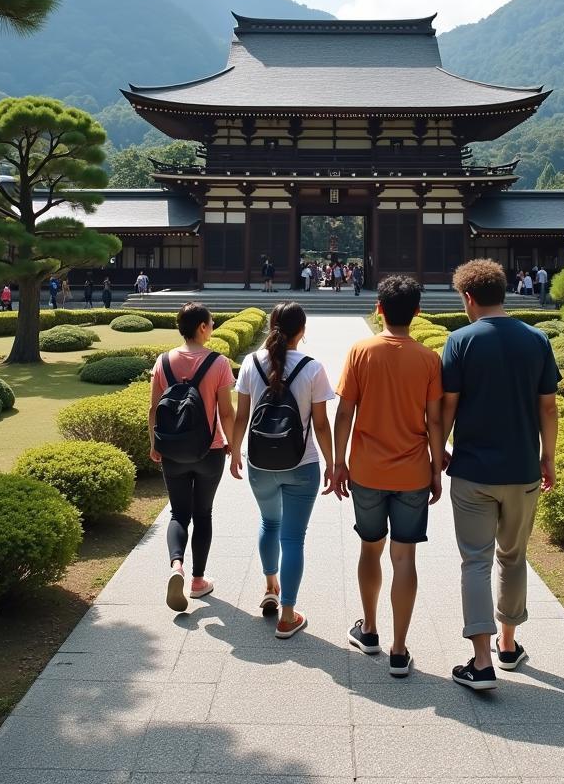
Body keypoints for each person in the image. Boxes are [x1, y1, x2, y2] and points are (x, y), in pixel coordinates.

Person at [441, 259, 559, 691]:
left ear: (468, 297)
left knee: (476, 560)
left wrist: (439, 452)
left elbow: (447, 406)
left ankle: (481, 662)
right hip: (523, 468)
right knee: (513, 557)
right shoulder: (537, 339)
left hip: (472, 469)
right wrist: (549, 458)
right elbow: (548, 406)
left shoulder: (460, 341)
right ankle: (508, 645)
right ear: (504, 292)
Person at [333, 275, 445, 677]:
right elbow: (434, 421)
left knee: (370, 548)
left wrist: (337, 461)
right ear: (417, 312)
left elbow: (344, 412)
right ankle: (399, 650)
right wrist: (435, 468)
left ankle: (370, 630)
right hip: (413, 470)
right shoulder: (429, 359)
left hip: (366, 468)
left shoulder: (361, 352)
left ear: (378, 308)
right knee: (404, 556)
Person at [230, 302, 336, 639]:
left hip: (259, 463)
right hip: (302, 464)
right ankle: (288, 615)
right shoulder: (313, 367)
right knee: (292, 538)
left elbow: (241, 416)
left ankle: (270, 587)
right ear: (302, 331)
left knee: (269, 523)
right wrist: (333, 464)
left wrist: (234, 451)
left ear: (272, 325)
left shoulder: (250, 363)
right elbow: (320, 424)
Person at [149, 303, 236, 613]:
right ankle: (198, 581)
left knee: (178, 513)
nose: (212, 326)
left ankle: (176, 567)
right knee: (203, 514)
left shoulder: (163, 362)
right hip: (209, 451)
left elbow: (153, 410)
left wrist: (154, 445)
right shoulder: (218, 363)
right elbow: (226, 411)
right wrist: (235, 449)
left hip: (172, 450)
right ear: (202, 327)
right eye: (211, 322)